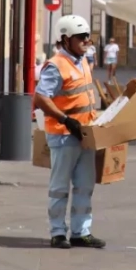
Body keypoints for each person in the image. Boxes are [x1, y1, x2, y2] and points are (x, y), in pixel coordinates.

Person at [32, 14, 107, 250]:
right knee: (60, 187)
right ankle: (57, 233)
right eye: (81, 37)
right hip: (64, 136)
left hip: (84, 134)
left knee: (85, 185)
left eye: (88, 36)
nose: (87, 40)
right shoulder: (56, 65)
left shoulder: (82, 60)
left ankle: (81, 232)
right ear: (65, 40)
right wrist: (66, 120)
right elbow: (41, 97)